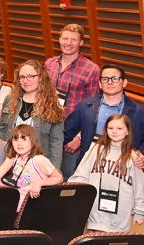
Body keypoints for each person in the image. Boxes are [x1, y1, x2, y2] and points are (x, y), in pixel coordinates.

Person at [64, 64, 144, 177]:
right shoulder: (85, 106)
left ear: (124, 83)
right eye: (105, 79)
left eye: (115, 78)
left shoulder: (139, 111)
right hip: (88, 168)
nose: (110, 82)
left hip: (122, 170)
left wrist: (142, 153)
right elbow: (66, 132)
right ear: (100, 84)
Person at [69, 114, 144, 232]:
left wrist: (140, 212)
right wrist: (77, 197)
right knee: (93, 240)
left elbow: (139, 186)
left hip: (120, 215)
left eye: (119, 128)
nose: (114, 131)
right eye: (110, 128)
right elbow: (81, 175)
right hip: (95, 210)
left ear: (127, 131)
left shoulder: (133, 157)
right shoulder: (96, 149)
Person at [45, 24, 101, 181]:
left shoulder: (92, 70)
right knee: (45, 175)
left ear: (81, 43)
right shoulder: (49, 64)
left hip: (71, 133)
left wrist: (80, 138)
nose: (68, 43)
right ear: (59, 39)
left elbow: (94, 109)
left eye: (73, 40)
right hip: (47, 128)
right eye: (65, 38)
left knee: (67, 178)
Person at [0, 124, 63, 211]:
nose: (19, 143)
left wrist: (39, 183)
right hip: (11, 188)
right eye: (15, 139)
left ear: (33, 141)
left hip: (26, 195)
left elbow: (59, 178)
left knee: (12, 202)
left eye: (23, 139)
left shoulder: (39, 160)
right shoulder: (15, 156)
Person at [0, 60, 65, 169]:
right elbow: (1, 130)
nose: (25, 81)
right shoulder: (10, 100)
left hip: (37, 166)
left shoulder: (52, 105)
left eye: (30, 76)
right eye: (22, 77)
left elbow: (56, 143)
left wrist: (54, 172)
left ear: (41, 78)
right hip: (9, 162)